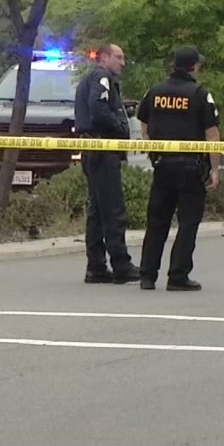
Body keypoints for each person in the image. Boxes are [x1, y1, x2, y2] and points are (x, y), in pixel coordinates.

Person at [136, 47, 221, 291]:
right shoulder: (200, 94)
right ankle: (178, 276)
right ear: (193, 67)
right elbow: (212, 136)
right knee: (188, 223)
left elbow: (144, 125)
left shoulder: (154, 92)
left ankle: (147, 275)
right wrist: (215, 169)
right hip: (191, 168)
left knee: (157, 222)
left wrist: (154, 152)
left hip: (162, 166)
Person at [74, 43, 140, 285]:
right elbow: (98, 109)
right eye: (119, 57)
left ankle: (97, 266)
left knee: (97, 211)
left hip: (93, 150)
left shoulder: (92, 78)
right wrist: (120, 127)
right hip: (102, 150)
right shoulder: (101, 78)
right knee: (112, 209)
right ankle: (121, 265)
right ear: (104, 57)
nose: (122, 62)